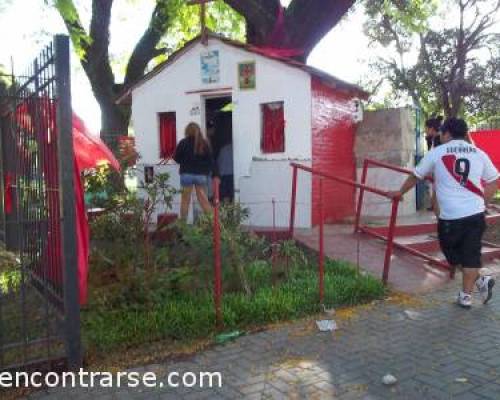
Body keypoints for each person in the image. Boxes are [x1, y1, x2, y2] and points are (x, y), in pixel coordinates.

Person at [389, 117, 499, 308]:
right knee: (466, 257)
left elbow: (416, 176)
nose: (440, 134)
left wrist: (399, 193)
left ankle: (465, 297)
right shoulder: (478, 153)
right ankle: (481, 280)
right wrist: (483, 202)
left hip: (452, 218)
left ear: (447, 133)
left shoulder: (437, 152)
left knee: (460, 256)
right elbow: (494, 181)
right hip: (472, 216)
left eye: (442, 131)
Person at [173, 122, 219, 220]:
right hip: (201, 176)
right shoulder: (204, 143)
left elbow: (176, 158)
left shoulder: (183, 142)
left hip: (186, 175)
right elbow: (211, 161)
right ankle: (214, 224)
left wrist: (185, 161)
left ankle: (183, 226)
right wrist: (214, 173)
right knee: (203, 200)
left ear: (187, 131)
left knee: (185, 200)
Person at [217, 131, 234, 203]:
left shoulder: (222, 149)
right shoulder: (235, 150)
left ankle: (226, 212)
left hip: (223, 174)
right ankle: (233, 211)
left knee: (225, 195)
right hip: (232, 174)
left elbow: (218, 162)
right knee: (233, 194)